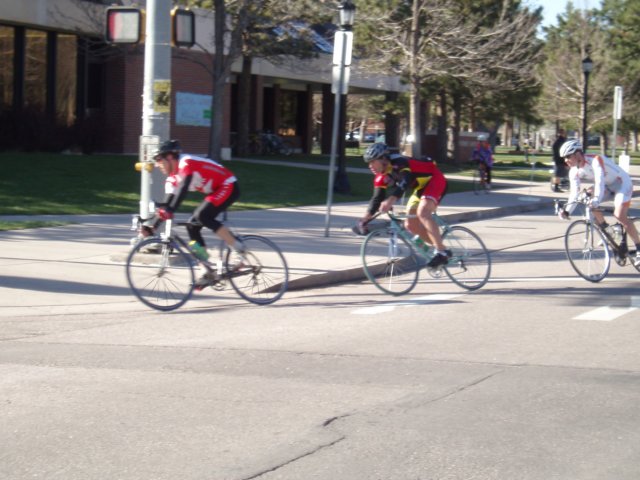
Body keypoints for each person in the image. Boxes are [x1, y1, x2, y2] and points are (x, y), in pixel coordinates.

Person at [148, 139, 244, 288]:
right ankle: (206, 269)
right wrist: (152, 226)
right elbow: (167, 204)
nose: (157, 164)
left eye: (159, 159)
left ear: (170, 157)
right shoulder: (171, 179)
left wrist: (170, 210)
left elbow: (184, 187)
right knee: (192, 226)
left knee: (202, 215)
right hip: (216, 190)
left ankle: (238, 247)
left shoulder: (186, 163)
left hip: (228, 184)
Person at [356, 143, 450, 268]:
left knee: (423, 212)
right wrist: (366, 218)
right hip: (420, 188)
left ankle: (441, 252)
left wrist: (391, 200)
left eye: (372, 162)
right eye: (368, 163)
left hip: (435, 180)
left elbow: (406, 180)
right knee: (410, 224)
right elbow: (377, 198)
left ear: (383, 159)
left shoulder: (399, 162)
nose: (370, 166)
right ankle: (440, 248)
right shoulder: (380, 176)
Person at [557, 139, 640, 267]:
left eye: (568, 156)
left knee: (619, 215)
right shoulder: (574, 171)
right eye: (564, 158)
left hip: (622, 183)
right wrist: (567, 210)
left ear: (578, 154)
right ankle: (608, 230)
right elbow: (574, 193)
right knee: (586, 196)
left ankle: (639, 248)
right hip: (608, 186)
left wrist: (596, 199)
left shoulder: (595, 160)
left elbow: (600, 182)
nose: (566, 160)